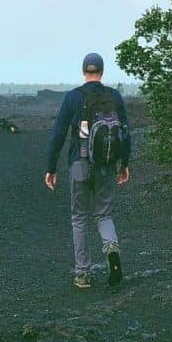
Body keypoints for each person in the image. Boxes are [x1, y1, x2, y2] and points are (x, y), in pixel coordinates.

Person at [45, 53, 131, 289]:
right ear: (102, 72)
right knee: (104, 214)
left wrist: (51, 168)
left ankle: (83, 274)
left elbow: (58, 134)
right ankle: (111, 247)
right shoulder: (113, 96)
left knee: (79, 218)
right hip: (106, 164)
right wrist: (124, 164)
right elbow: (125, 132)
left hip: (79, 165)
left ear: (84, 71)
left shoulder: (73, 97)